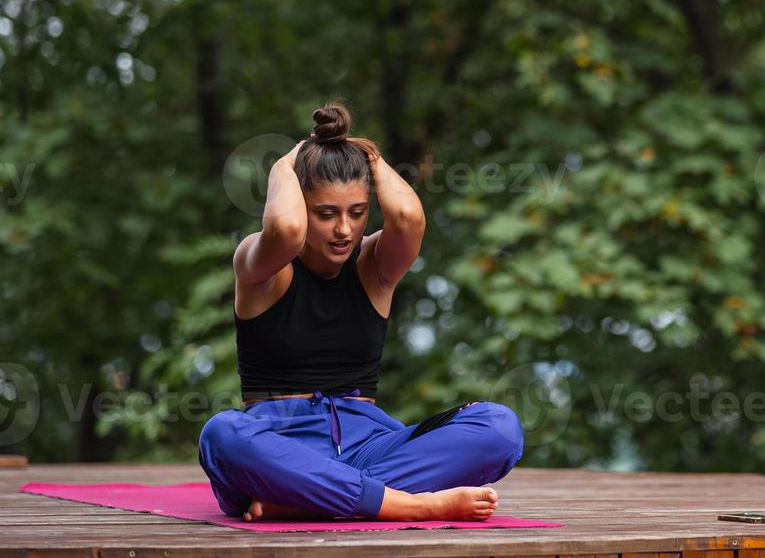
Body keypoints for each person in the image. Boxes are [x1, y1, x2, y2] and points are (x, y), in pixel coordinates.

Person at [197, 101, 524, 521]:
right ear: (301, 204)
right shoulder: (262, 267)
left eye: (357, 212)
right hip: (282, 441)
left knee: (499, 426)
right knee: (222, 435)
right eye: (326, 214)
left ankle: (309, 499)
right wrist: (285, 166)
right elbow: (286, 231)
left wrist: (369, 157)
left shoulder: (374, 267)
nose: (344, 230)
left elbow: (407, 217)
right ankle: (411, 505)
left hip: (368, 439)